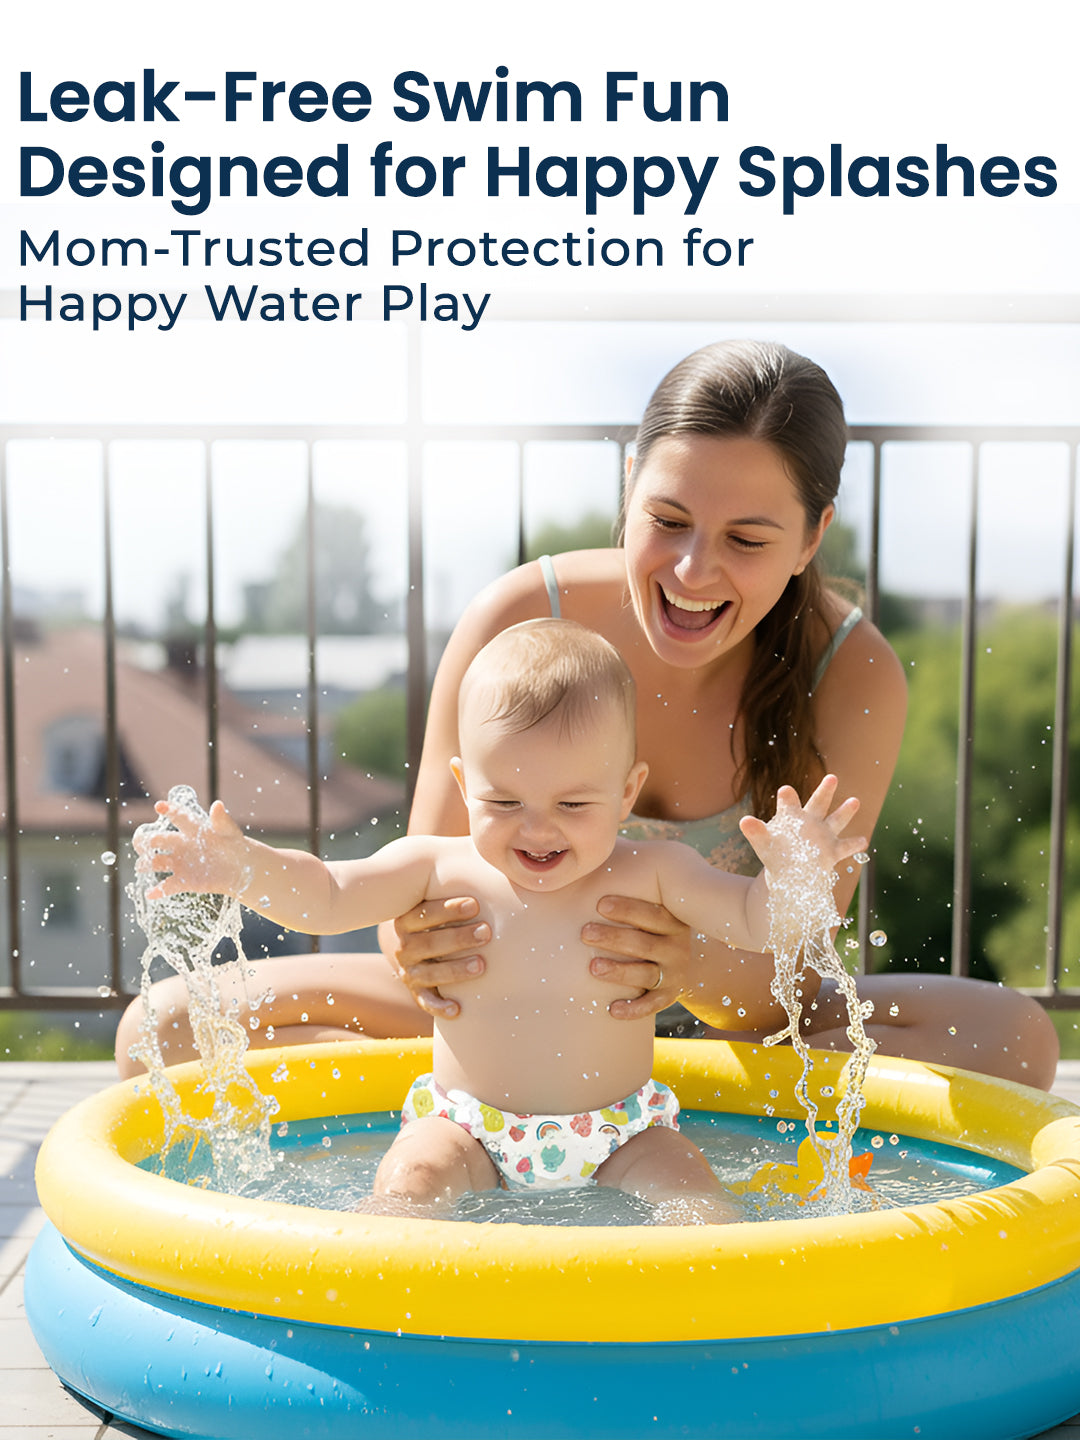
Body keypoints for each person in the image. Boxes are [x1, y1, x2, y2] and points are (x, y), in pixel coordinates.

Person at [116, 338, 1059, 1089]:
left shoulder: (851, 676)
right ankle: (502, 1098)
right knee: (160, 1031)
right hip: (504, 1006)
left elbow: (788, 974)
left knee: (1015, 1042)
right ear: (628, 490)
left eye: (747, 538)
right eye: (669, 520)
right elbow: (418, 923)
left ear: (812, 536)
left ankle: (653, 1106)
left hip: (731, 1032)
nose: (694, 573)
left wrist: (678, 963)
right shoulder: (521, 620)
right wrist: (487, 964)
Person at [135, 619, 864, 1220]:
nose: (537, 829)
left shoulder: (657, 870)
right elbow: (327, 891)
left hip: (623, 1131)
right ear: (464, 784)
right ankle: (374, 1306)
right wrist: (245, 868)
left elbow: (750, 921)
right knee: (408, 1186)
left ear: (626, 791)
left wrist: (794, 876)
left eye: (574, 805)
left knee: (701, 1207)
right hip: (467, 1128)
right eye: (505, 802)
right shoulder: (436, 865)